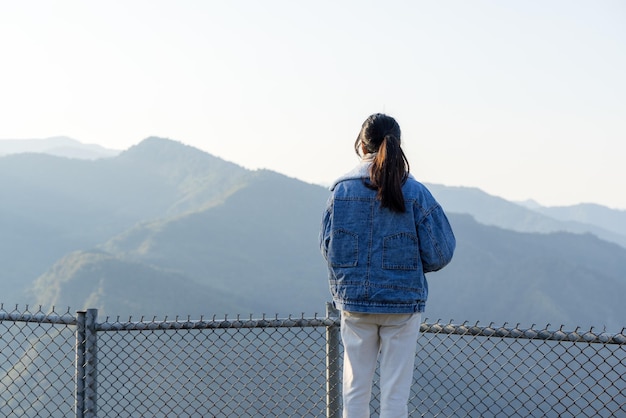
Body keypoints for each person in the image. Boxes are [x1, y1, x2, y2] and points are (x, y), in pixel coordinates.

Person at [319, 113, 456, 418]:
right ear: (397, 143)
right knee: (395, 396)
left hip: (355, 304)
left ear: (361, 143)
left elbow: (329, 249)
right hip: (403, 303)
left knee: (355, 391)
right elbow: (441, 252)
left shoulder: (340, 191)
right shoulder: (416, 192)